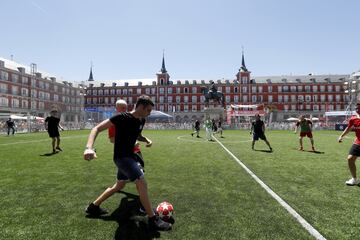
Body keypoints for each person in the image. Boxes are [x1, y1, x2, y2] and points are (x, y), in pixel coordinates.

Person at [83, 95, 171, 231]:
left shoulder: (141, 120)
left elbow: (137, 135)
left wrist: (146, 139)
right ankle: (153, 219)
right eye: (148, 110)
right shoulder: (122, 117)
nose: (149, 113)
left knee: (119, 185)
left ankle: (93, 207)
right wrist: (89, 148)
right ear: (140, 107)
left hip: (130, 156)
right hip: (122, 158)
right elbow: (96, 129)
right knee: (141, 182)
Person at [338, 103, 360, 186]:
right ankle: (354, 179)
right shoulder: (353, 119)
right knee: (350, 159)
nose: (357, 110)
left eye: (359, 108)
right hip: (358, 142)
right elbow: (348, 128)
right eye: (356, 108)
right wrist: (341, 136)